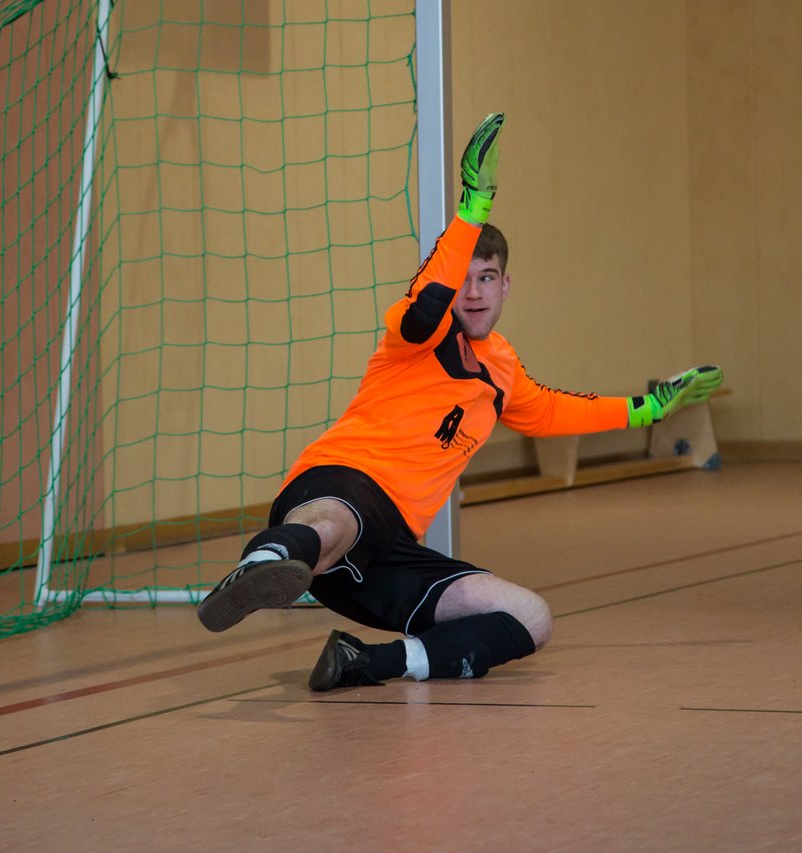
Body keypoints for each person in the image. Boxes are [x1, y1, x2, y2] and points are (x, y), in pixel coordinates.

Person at [196, 113, 723, 690]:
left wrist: (648, 409)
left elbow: (554, 411)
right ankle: (263, 564)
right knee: (337, 523)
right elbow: (426, 306)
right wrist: (474, 206)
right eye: (465, 277)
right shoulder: (413, 334)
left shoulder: (502, 368)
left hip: (388, 554)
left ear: (506, 286)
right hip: (341, 485)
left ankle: (364, 663)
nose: (474, 292)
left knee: (531, 618)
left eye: (489, 278)